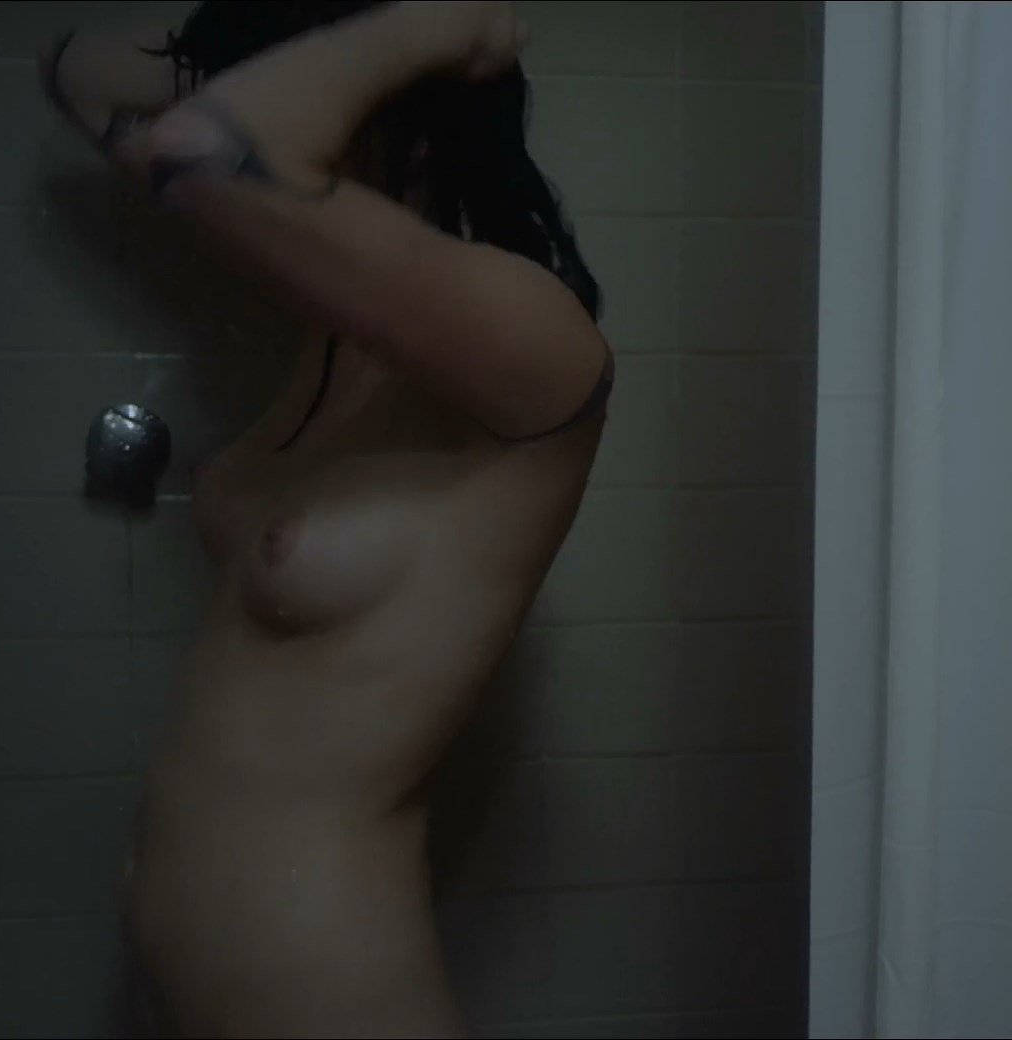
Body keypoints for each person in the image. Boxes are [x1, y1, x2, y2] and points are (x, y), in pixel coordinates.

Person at [39, 2, 610, 1034]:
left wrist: (433, 24)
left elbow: (200, 149)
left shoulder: (538, 340)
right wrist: (275, 31)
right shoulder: (333, 331)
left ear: (405, 113)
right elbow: (79, 75)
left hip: (332, 993)